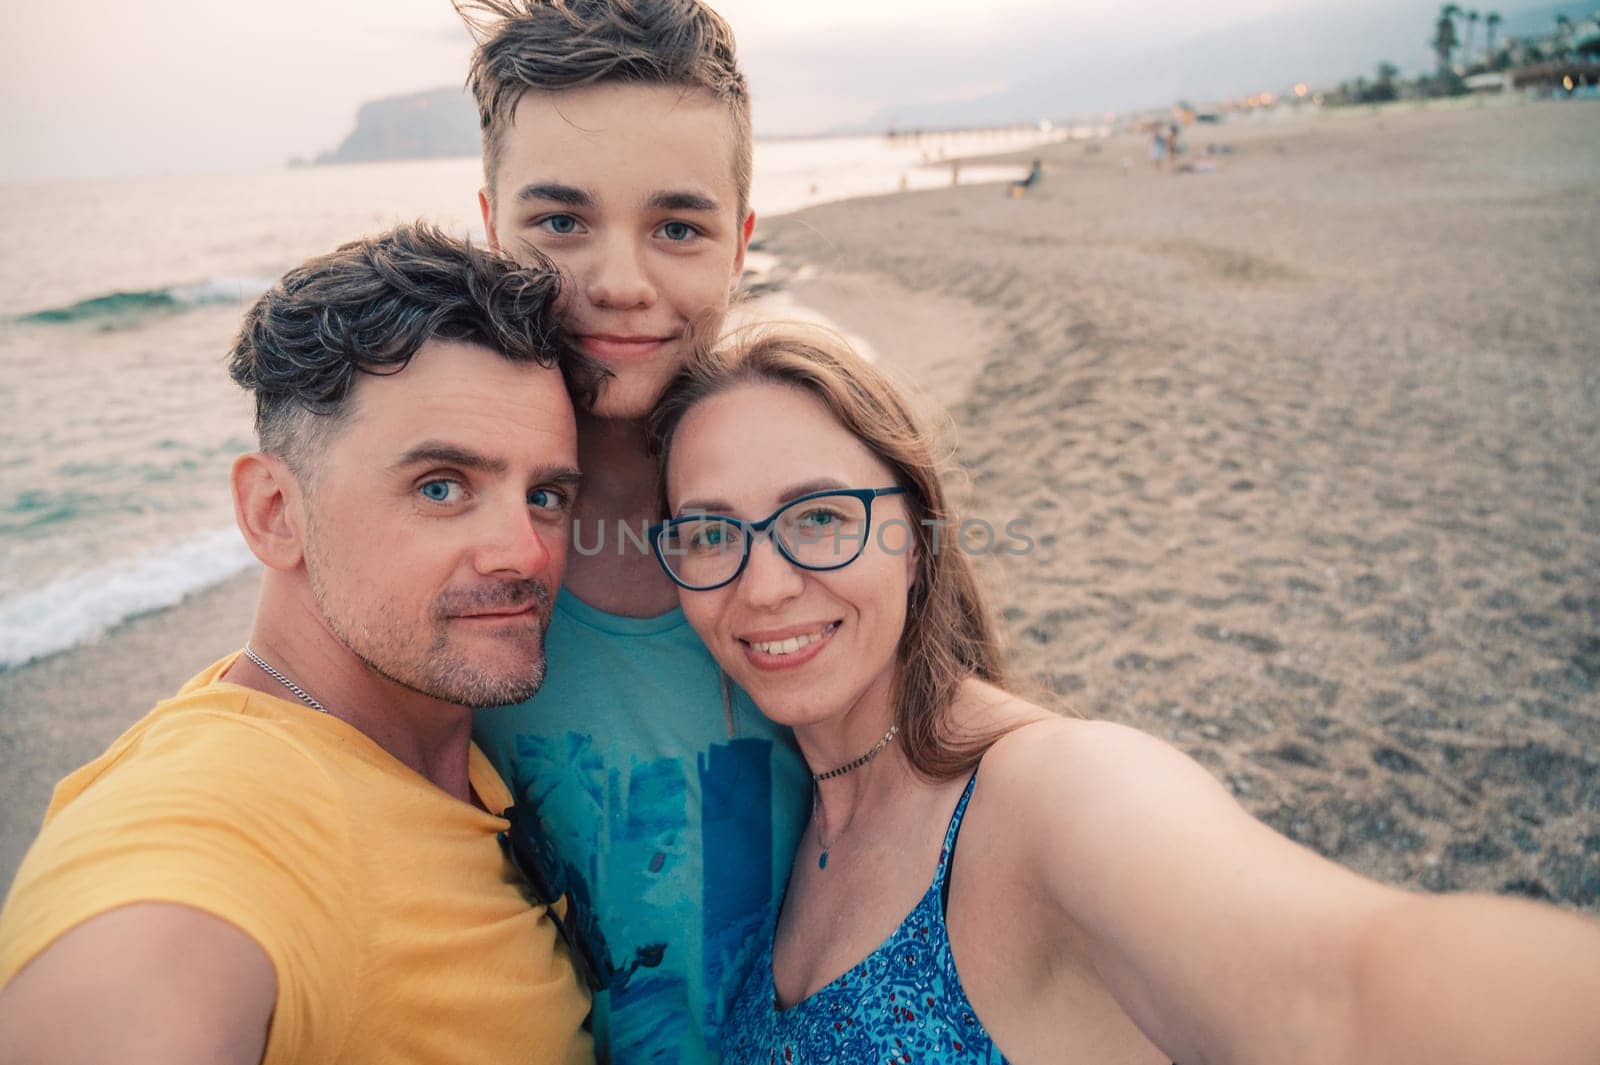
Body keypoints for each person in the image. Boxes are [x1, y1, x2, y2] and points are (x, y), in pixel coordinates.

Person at [644, 323, 1600, 1065]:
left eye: (820, 517)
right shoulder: (793, 809)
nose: (762, 585)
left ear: (919, 533)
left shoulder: (1051, 794)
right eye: (711, 532)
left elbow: (1344, 991)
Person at [0, 224, 601, 1065]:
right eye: (441, 486)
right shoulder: (228, 810)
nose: (526, 550)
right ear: (274, 513)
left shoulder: (439, 738)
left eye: (545, 494)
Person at [455, 2, 810, 1061]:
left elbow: (971, 748)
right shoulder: (438, 562)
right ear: (490, 227)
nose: (618, 282)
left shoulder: (826, 528)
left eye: (678, 227)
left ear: (742, 244)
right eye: (560, 223)